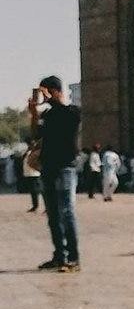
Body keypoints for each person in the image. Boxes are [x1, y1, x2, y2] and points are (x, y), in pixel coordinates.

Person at [28, 76, 81, 272]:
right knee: (53, 215)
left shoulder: (71, 112)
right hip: (48, 168)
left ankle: (73, 259)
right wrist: (34, 114)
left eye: (47, 91)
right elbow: (35, 135)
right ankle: (60, 256)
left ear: (56, 91)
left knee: (67, 212)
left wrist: (53, 99)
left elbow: (69, 118)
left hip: (66, 168)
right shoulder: (48, 116)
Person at [22, 140, 41, 212]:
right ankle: (35, 206)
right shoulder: (28, 152)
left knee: (36, 191)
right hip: (29, 174)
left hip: (34, 174)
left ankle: (36, 206)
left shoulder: (34, 153)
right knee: (33, 191)